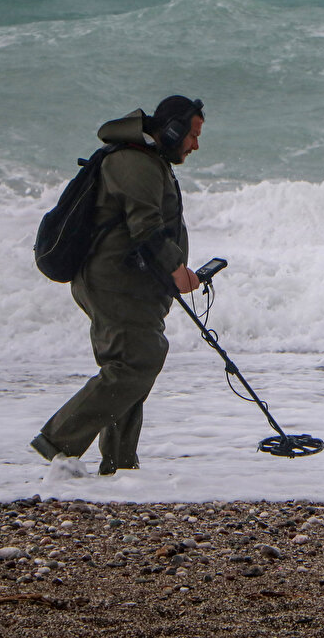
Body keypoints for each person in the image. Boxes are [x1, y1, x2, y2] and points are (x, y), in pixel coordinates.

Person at [30, 95, 205, 476]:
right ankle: (58, 442)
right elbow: (146, 226)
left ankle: (120, 463)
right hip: (114, 282)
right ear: (171, 129)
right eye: (191, 134)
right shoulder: (133, 161)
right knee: (136, 361)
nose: (195, 144)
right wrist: (176, 269)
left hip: (130, 282)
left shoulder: (145, 160)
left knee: (133, 360)